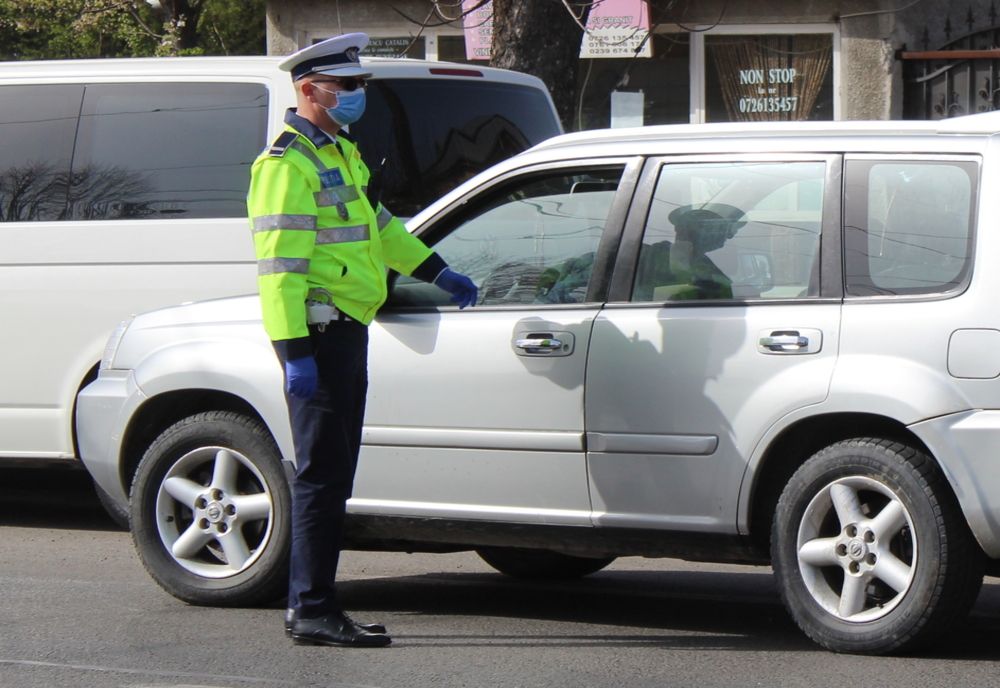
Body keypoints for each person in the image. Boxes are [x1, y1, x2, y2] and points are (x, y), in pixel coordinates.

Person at [247, 32, 478, 648]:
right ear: (308, 90)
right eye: (345, 86)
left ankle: (315, 604)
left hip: (345, 334)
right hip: (318, 337)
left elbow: (379, 229)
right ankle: (313, 608)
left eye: (358, 87)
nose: (355, 96)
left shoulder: (338, 153)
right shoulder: (285, 164)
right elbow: (278, 270)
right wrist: (294, 353)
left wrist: (435, 271)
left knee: (334, 471)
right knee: (321, 475)